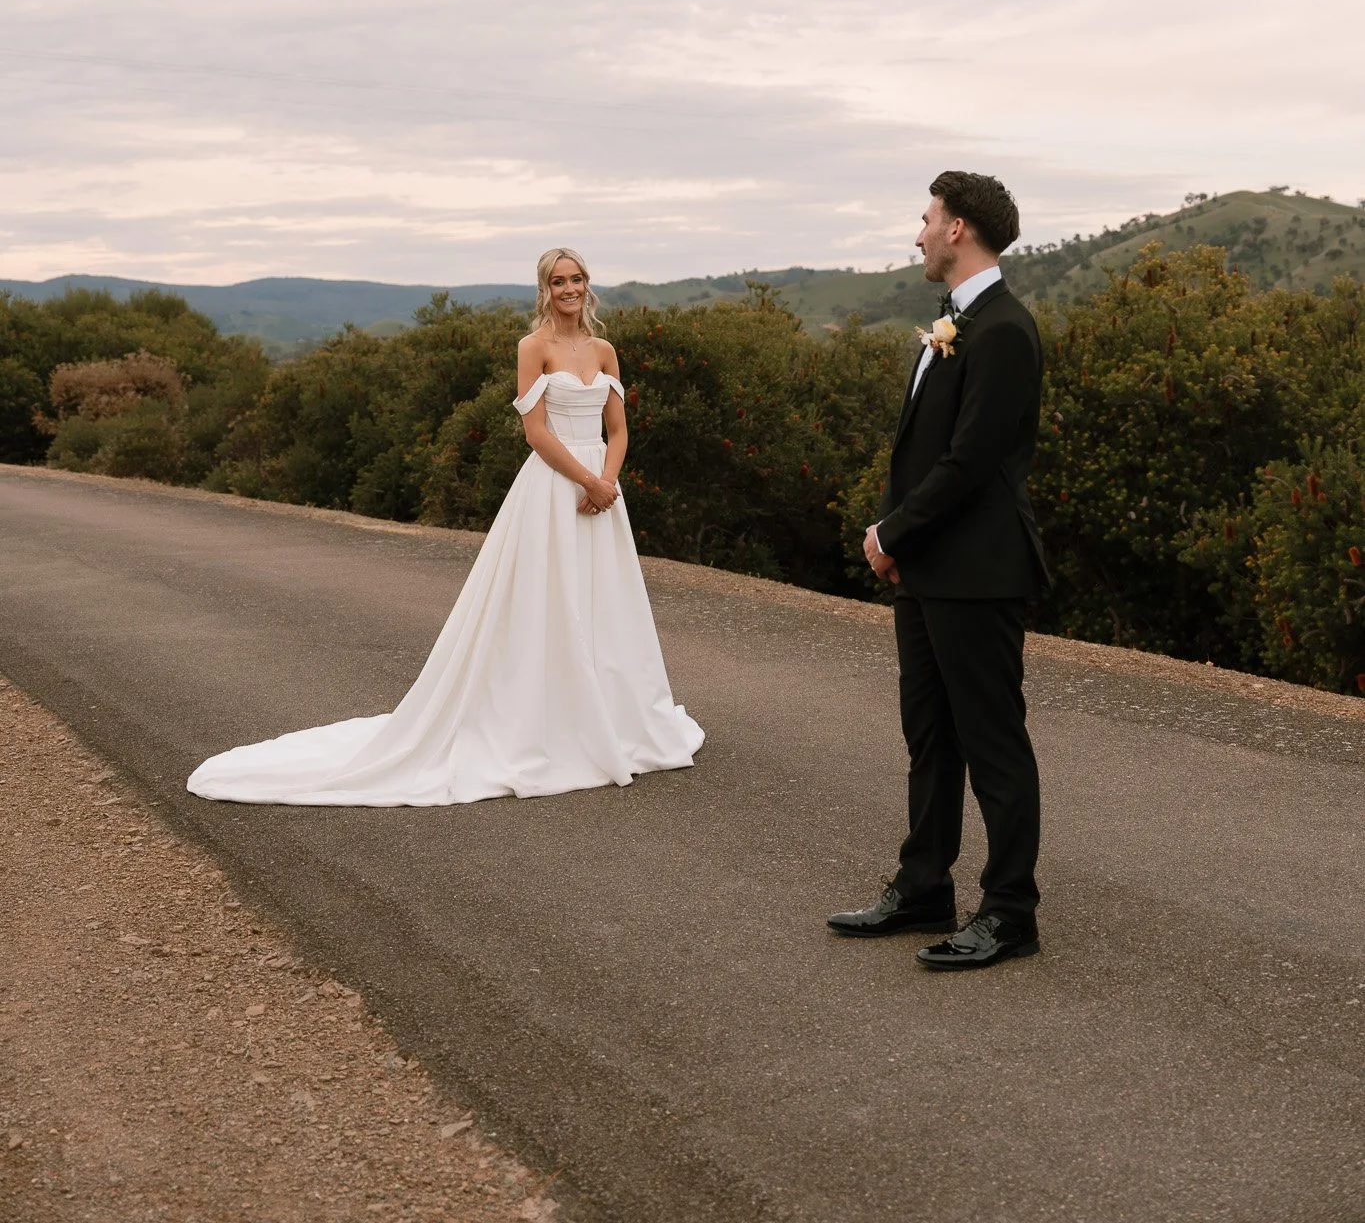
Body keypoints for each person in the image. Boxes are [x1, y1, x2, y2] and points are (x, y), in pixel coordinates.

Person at [187, 248, 703, 805]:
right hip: (556, 488)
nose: (570, 289)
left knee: (605, 600)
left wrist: (607, 481)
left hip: (602, 492)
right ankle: (544, 720)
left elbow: (619, 429)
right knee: (546, 599)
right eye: (559, 281)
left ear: (588, 285)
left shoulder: (604, 350)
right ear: (545, 289)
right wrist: (586, 481)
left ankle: (612, 715)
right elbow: (536, 433)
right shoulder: (534, 348)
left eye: (577, 279)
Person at [827, 172, 1047, 971]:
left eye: (924, 219)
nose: (916, 233)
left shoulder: (1003, 331)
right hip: (928, 571)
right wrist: (903, 547)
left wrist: (889, 531)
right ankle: (923, 886)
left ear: (957, 230)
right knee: (929, 737)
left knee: (992, 744)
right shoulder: (952, 323)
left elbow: (969, 464)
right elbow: (919, 453)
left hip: (980, 572)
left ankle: (1009, 911)